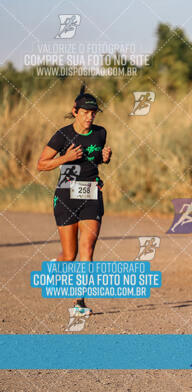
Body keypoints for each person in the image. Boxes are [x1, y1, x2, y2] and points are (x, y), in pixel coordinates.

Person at [37, 85, 112, 314]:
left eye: (93, 113)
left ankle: (79, 302)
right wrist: (65, 158)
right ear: (75, 111)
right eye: (86, 112)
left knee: (87, 249)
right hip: (66, 196)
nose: (90, 117)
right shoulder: (62, 135)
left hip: (91, 194)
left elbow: (93, 159)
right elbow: (41, 164)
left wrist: (104, 158)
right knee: (69, 256)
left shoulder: (101, 133)